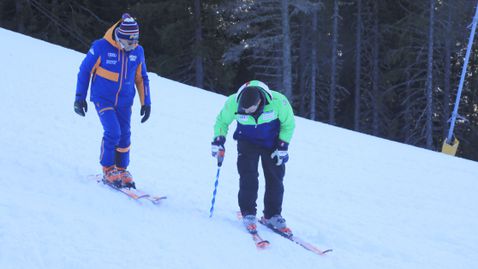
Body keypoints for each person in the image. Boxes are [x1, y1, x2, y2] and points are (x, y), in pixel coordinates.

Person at [74, 13, 151, 189]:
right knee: (113, 131)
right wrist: (80, 97)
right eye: (127, 43)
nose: (131, 47)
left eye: (134, 43)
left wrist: (146, 102)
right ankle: (108, 168)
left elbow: (142, 78)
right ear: (118, 37)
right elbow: (85, 71)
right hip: (103, 99)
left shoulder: (137, 51)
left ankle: (122, 170)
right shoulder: (101, 47)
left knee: (125, 134)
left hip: (124, 102)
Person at [211, 80, 295, 235]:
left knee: (275, 178)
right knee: (248, 176)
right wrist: (219, 140)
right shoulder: (233, 102)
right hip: (246, 141)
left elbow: (289, 124)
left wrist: (283, 146)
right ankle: (248, 212)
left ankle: (272, 215)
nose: (247, 112)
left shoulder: (278, 102)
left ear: (260, 102)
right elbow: (222, 121)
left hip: (272, 143)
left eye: (251, 109)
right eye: (245, 109)